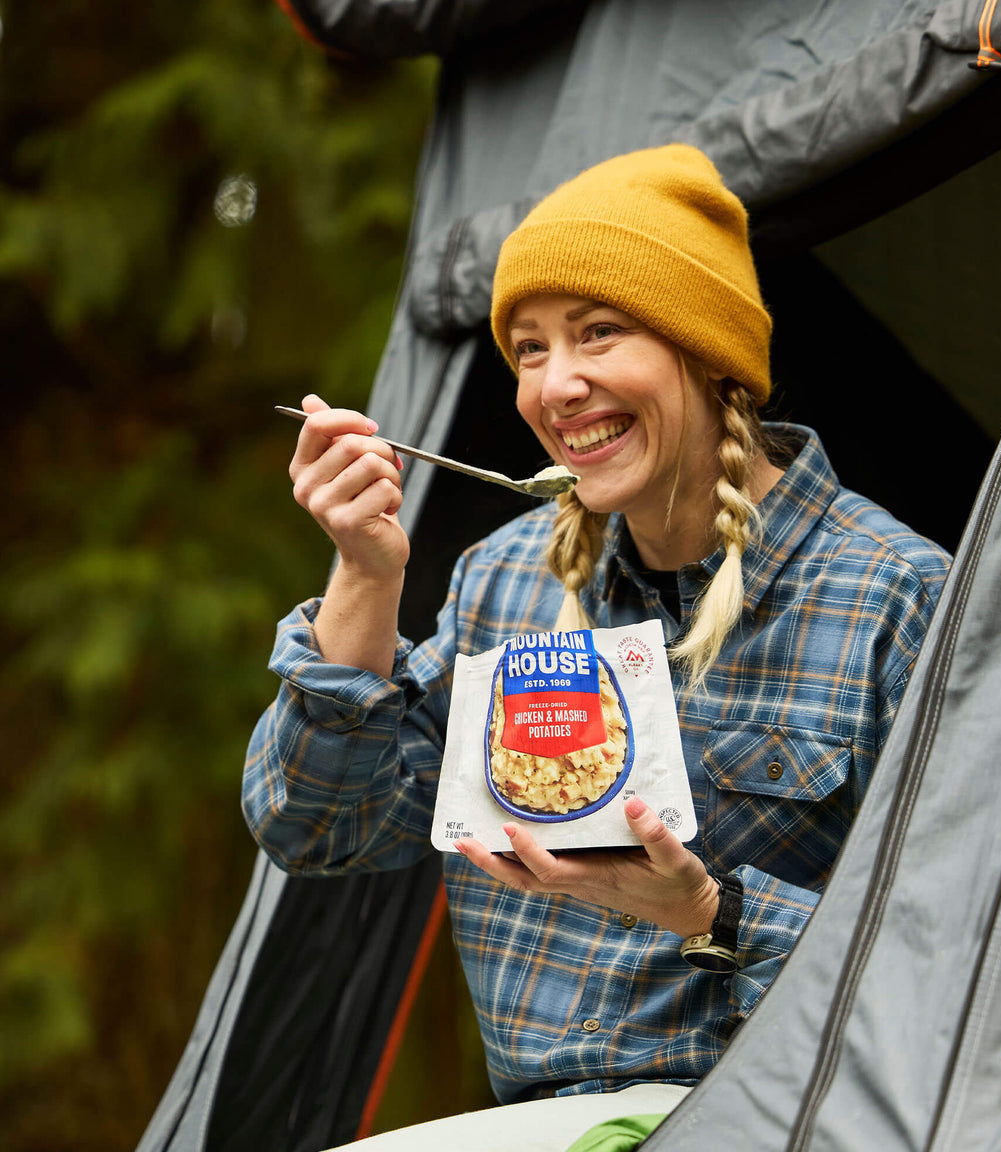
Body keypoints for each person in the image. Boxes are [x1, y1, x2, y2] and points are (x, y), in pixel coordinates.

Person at [242, 145, 951, 1118]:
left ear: (708, 353)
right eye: (530, 349)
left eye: (600, 333)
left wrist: (712, 916)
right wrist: (365, 575)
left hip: (785, 1124)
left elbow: (966, 965)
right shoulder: (503, 583)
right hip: (537, 1129)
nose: (555, 386)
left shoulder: (895, 595)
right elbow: (320, 824)